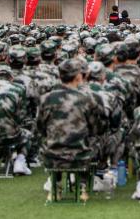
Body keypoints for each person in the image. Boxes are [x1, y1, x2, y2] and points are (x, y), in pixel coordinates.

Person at [37, 59, 104, 194]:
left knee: (48, 139)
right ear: (79, 76)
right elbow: (96, 128)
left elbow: (40, 127)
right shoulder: (88, 98)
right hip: (81, 155)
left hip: (51, 155)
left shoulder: (46, 98)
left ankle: (55, 181)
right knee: (98, 140)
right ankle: (83, 182)